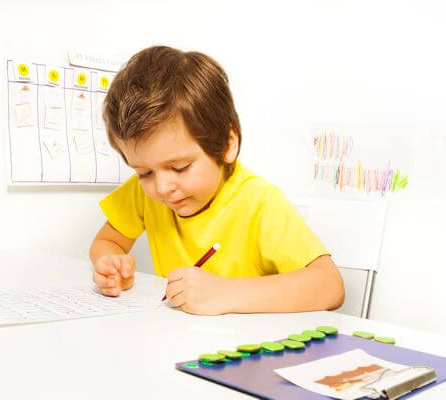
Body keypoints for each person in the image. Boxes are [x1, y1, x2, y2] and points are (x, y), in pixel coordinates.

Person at [90, 46, 344, 315]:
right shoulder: (144, 193)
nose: (162, 187)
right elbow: (108, 242)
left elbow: (330, 286)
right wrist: (111, 263)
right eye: (144, 173)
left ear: (227, 144)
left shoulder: (259, 203)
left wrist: (225, 293)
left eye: (180, 166)